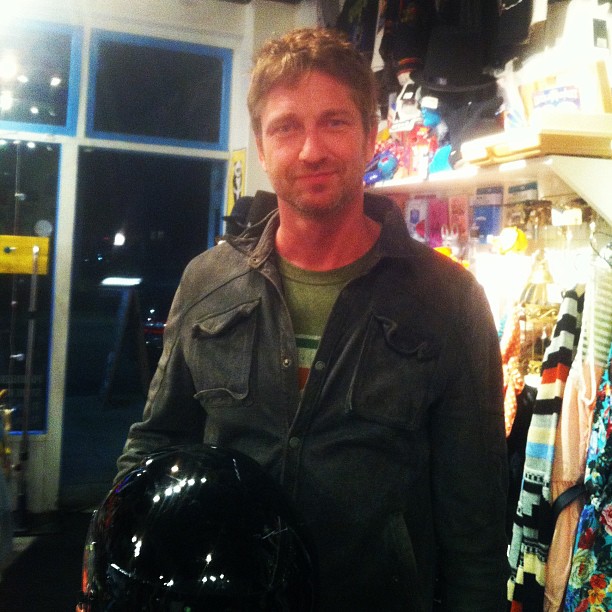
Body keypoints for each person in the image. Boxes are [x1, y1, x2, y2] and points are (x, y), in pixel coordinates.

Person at [116, 27, 509, 611]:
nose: (310, 150)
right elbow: (157, 442)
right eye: (286, 127)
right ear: (260, 145)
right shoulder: (207, 281)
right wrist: (117, 557)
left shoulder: (450, 301)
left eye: (334, 122)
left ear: (370, 136)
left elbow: (475, 521)